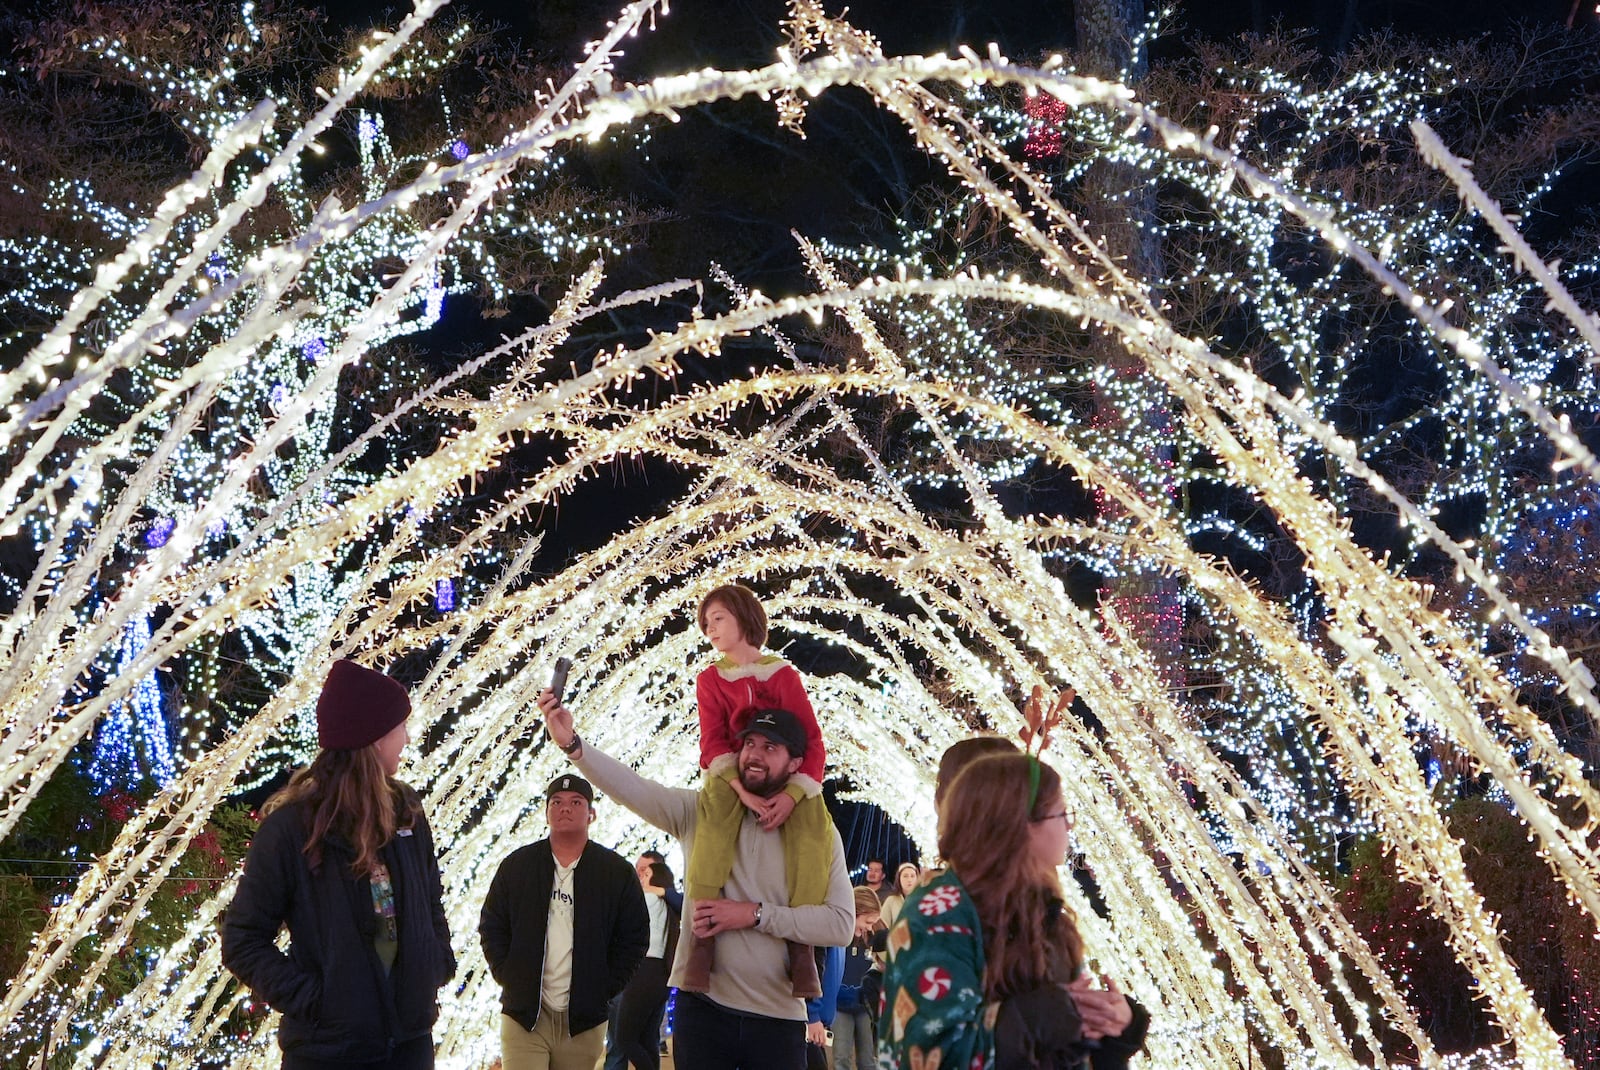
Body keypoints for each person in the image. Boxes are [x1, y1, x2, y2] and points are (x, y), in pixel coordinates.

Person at [539, 690, 854, 1070]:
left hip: (779, 1016)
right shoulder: (700, 812)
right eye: (749, 743)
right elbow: (633, 789)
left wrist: (754, 914)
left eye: (770, 746)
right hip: (703, 1010)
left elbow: (840, 925)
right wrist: (574, 746)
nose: (753, 754)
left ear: (795, 764)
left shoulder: (820, 834)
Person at [221, 659, 455, 1070]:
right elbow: (242, 938)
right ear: (373, 737)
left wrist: (435, 963)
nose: (407, 737)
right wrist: (318, 1000)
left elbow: (430, 897)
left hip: (409, 1043)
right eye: (400, 726)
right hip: (329, 1051)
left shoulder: (407, 810)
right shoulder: (292, 829)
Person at [879, 751, 1148, 1070]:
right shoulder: (939, 912)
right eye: (1061, 814)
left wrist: (1116, 1029)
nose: (1069, 826)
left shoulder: (1046, 915)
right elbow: (929, 1056)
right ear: (1019, 826)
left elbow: (1066, 1050)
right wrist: (1042, 1017)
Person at [686, 583, 834, 997]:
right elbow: (712, 741)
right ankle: (702, 936)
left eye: (718, 619)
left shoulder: (783, 674)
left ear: (742, 617)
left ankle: (801, 949)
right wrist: (740, 789)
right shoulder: (711, 680)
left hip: (784, 771)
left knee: (812, 830)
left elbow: (811, 740)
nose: (709, 629)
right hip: (733, 773)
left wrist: (792, 794)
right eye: (705, 622)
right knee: (712, 820)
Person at [479, 773, 650, 1070]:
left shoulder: (615, 872)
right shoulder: (518, 866)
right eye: (556, 802)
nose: (565, 808)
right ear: (546, 812)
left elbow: (634, 936)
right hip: (524, 1015)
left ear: (591, 814)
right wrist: (510, 976)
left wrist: (604, 987)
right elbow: (492, 925)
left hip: (583, 1020)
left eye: (576, 802)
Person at [604, 855, 681, 1070]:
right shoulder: (670, 906)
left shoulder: (648, 900)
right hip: (660, 974)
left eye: (646, 874)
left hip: (642, 972)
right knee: (647, 1038)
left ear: (657, 880)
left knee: (624, 1038)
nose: (641, 878)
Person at [833, 887, 884, 1070]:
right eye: (868, 921)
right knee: (841, 1057)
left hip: (865, 1007)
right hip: (839, 1005)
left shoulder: (877, 932)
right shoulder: (835, 933)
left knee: (868, 1059)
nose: (870, 927)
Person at [805, 944, 844, 1070]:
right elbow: (812, 968)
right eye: (867, 922)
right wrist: (812, 1014)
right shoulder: (831, 932)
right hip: (809, 1022)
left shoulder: (842, 941)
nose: (869, 928)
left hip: (820, 1024)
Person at [878, 862, 921, 931]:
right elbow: (882, 926)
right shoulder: (891, 900)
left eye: (912, 876)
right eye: (905, 876)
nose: (909, 880)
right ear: (899, 879)